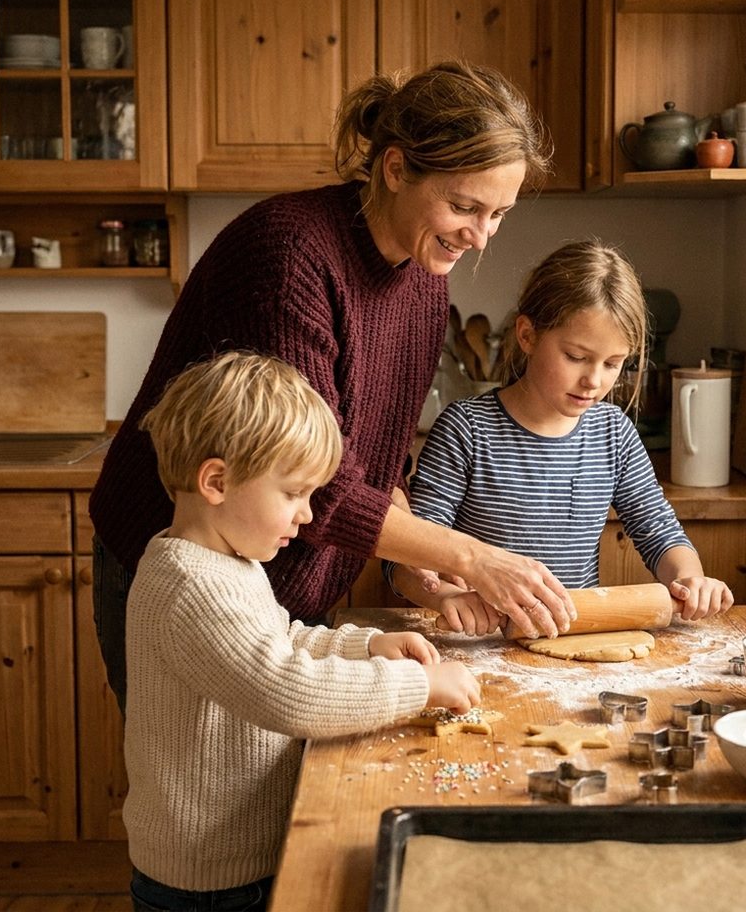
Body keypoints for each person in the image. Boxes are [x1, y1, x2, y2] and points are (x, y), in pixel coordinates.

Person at [90, 60, 577, 713]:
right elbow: (317, 482)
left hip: (281, 575)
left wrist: (424, 574)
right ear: (397, 169)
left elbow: (374, 462)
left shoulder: (426, 277)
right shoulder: (288, 256)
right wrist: (472, 557)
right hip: (186, 567)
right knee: (199, 781)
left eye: (499, 214)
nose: (481, 235)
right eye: (464, 206)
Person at [124, 351, 479, 911]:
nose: (308, 516)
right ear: (216, 481)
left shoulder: (224, 559)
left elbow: (280, 640)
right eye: (293, 494)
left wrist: (368, 646)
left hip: (244, 859)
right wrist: (420, 689)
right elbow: (286, 689)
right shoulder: (189, 586)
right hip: (209, 884)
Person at [387, 239, 735, 635]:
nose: (594, 380)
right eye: (576, 356)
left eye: (613, 364)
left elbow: (658, 531)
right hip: (482, 643)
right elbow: (408, 561)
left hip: (575, 640)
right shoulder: (467, 429)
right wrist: (446, 596)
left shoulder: (613, 434)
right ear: (527, 335)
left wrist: (691, 580)